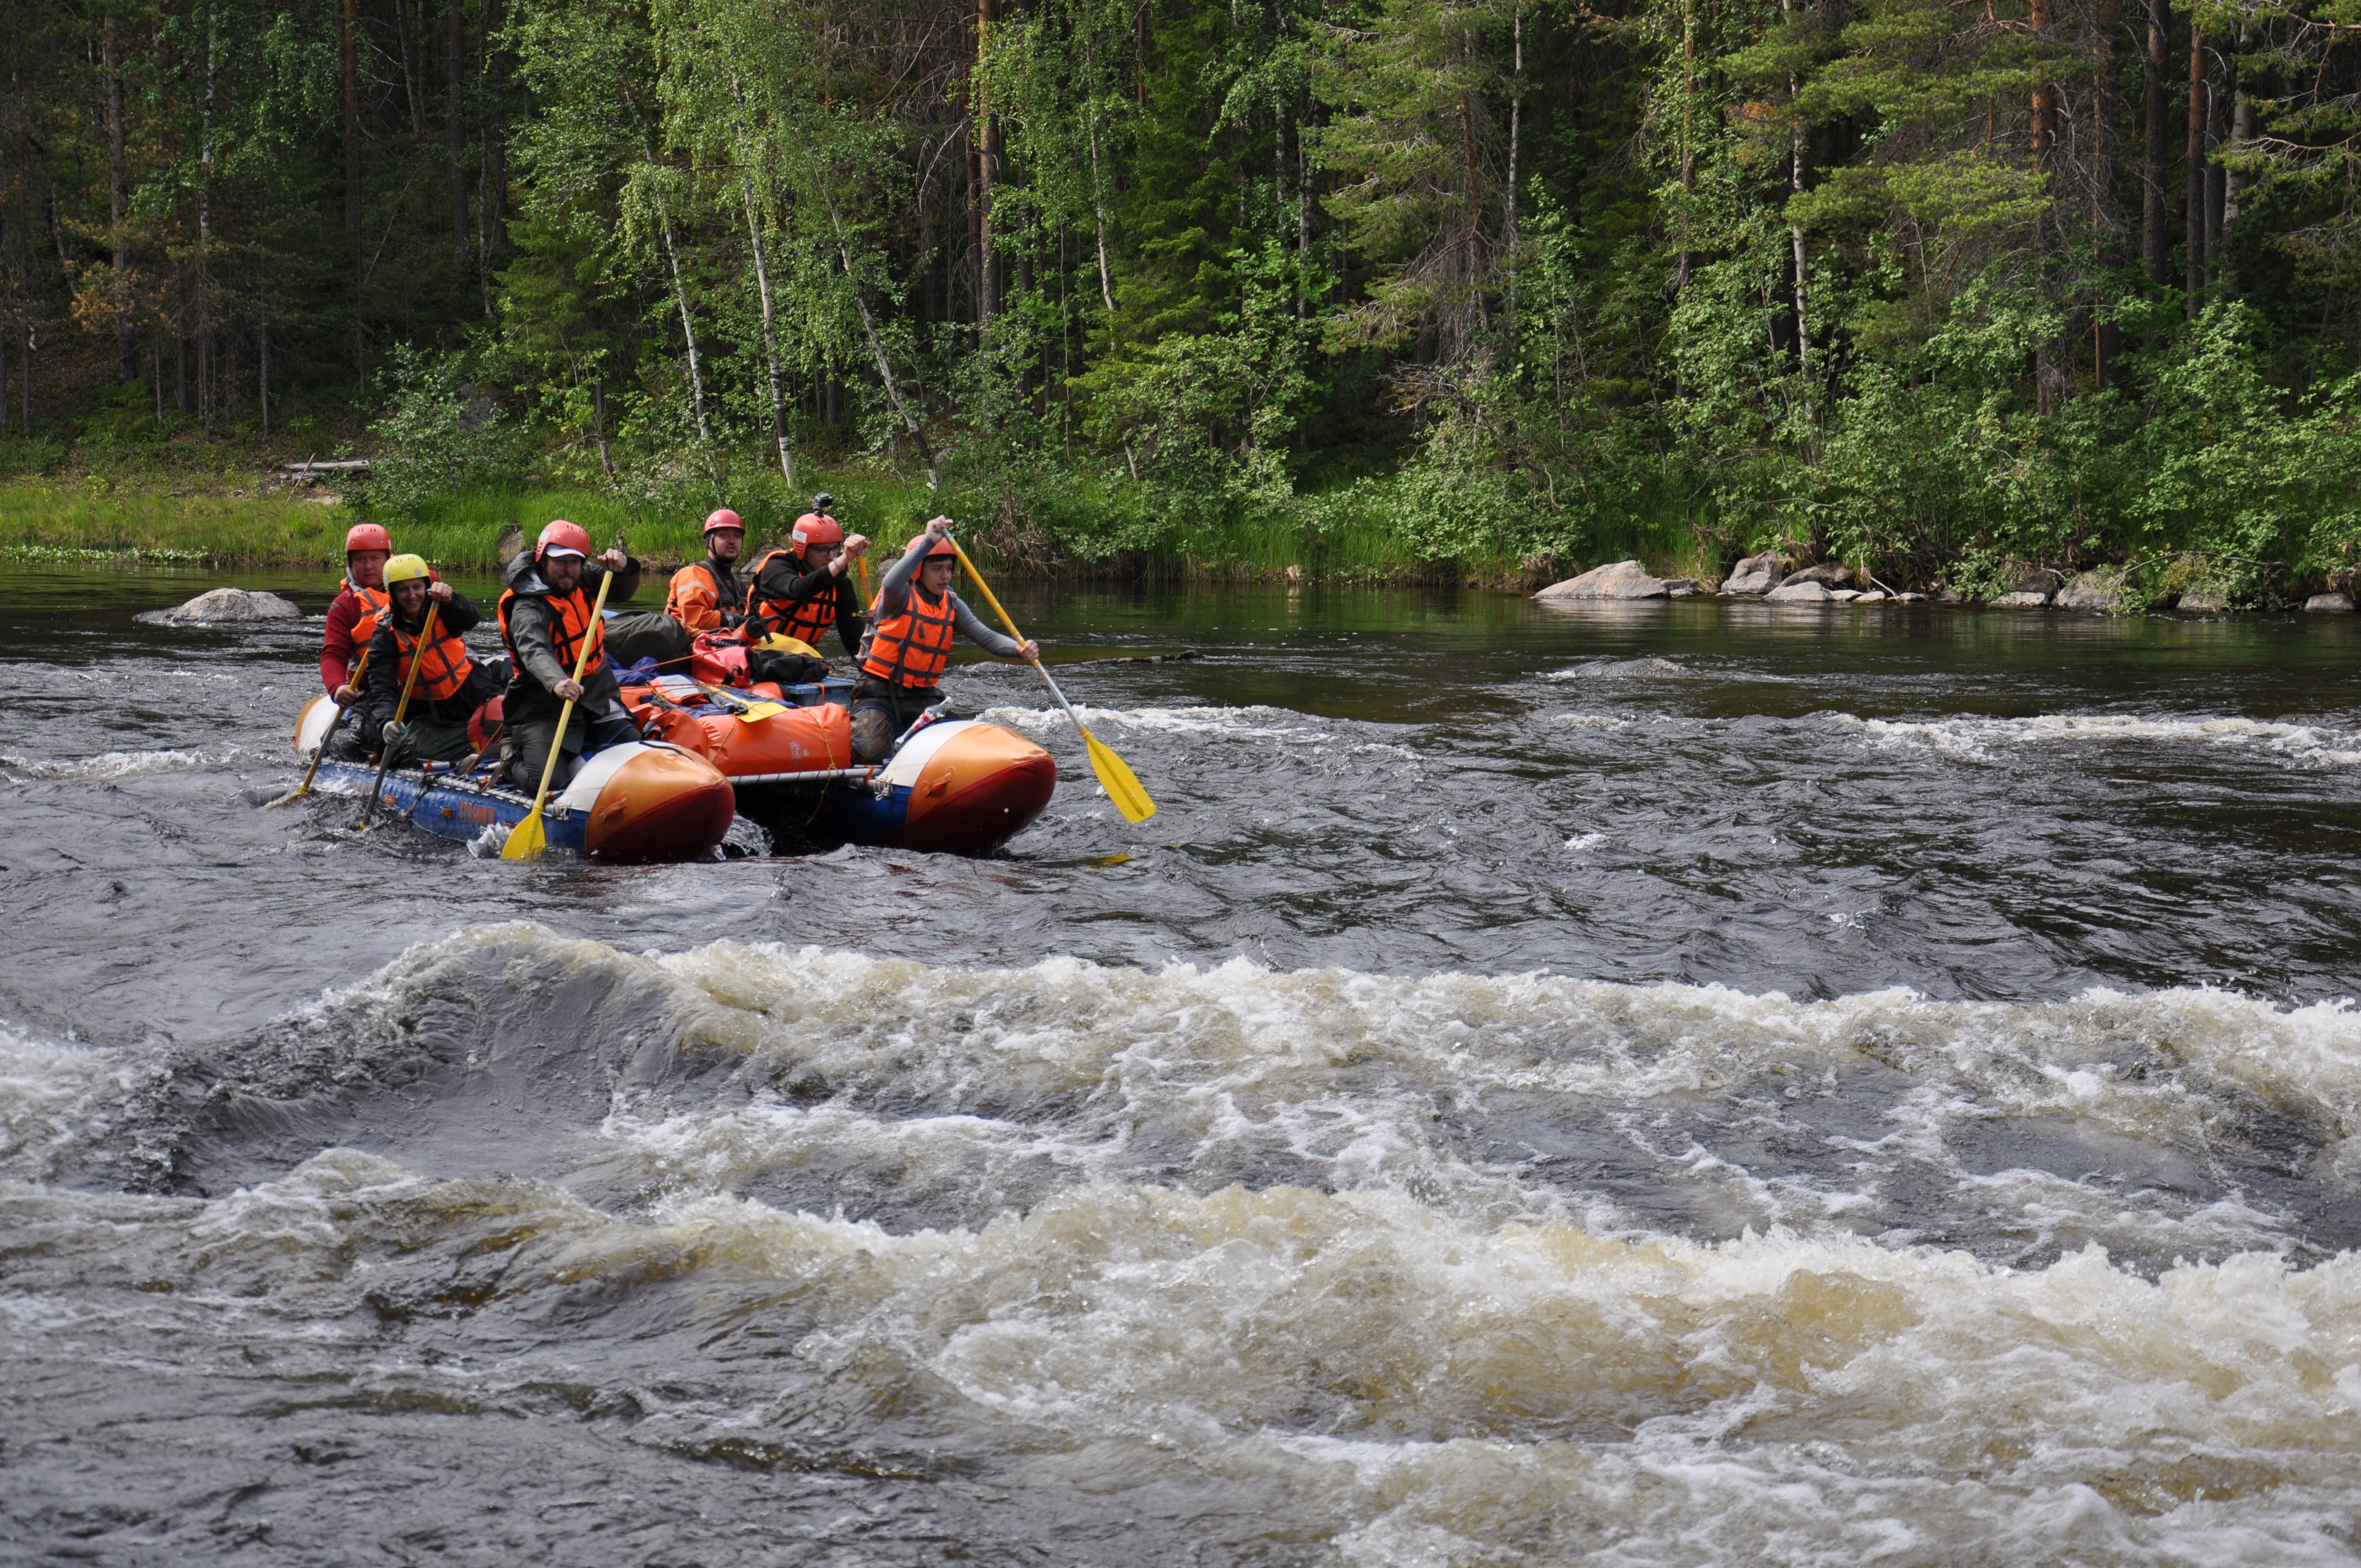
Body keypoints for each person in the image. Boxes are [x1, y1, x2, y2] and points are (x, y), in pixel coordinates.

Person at [849, 517, 1037, 763]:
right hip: (878, 693)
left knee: (962, 748)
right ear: (917, 570)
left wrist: (1019, 649)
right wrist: (928, 541)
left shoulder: (953, 605)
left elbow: (988, 638)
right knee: (871, 752)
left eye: (949, 568)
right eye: (937, 569)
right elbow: (890, 581)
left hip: (923, 697)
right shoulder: (898, 597)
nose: (945, 576)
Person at [497, 520, 644, 791]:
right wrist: (557, 682)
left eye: (575, 562)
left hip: (594, 696)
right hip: (542, 706)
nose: (568, 570)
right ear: (543, 559)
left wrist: (624, 568)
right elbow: (534, 649)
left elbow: (623, 592)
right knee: (549, 783)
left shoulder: (584, 579)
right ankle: (510, 759)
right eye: (560, 562)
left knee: (635, 751)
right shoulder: (527, 605)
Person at [358, 554, 505, 766]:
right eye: (403, 590)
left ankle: (482, 749)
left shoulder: (442, 607)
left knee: (507, 717)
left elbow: (471, 618)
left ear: (426, 587)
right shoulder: (385, 635)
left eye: (417, 587)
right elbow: (382, 687)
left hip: (472, 694)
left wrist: (452, 599)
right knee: (405, 751)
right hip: (430, 713)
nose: (412, 596)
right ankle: (473, 752)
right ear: (392, 594)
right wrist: (387, 722)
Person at [746, 494, 870, 657]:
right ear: (802, 549)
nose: (832, 557)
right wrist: (844, 559)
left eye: (835, 549)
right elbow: (797, 589)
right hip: (754, 656)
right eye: (824, 550)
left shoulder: (841, 585)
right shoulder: (776, 566)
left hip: (801, 663)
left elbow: (854, 639)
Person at [322, 522, 395, 705]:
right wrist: (337, 687)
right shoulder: (344, 605)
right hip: (371, 689)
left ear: (388, 558)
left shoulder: (414, 588)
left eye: (375, 558)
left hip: (418, 683)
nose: (368, 566)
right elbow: (333, 655)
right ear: (351, 563)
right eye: (360, 560)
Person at [663, 508, 752, 634]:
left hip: (726, 647)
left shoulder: (740, 587)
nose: (732, 541)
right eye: (724, 535)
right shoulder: (693, 574)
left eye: (737, 536)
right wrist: (740, 621)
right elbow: (695, 620)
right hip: (689, 647)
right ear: (709, 541)